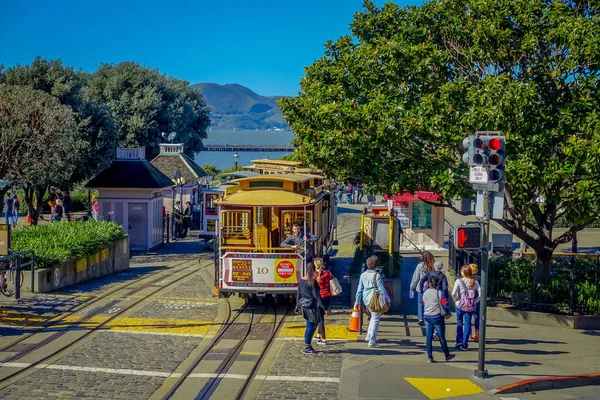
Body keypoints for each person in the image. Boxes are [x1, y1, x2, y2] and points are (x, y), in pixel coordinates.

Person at [355, 255, 390, 348]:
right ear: (375, 265)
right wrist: (388, 300)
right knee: (376, 319)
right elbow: (382, 289)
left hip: (366, 298)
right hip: (374, 299)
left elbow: (359, 289)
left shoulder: (363, 275)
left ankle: (368, 335)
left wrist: (358, 301)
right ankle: (372, 340)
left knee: (372, 316)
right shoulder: (377, 275)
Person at [296, 262, 327, 355]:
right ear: (313, 270)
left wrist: (297, 306)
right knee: (311, 326)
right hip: (312, 306)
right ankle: (307, 346)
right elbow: (317, 296)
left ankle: (307, 344)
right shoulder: (312, 281)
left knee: (310, 325)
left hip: (303, 306)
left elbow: (298, 294)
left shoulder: (302, 281)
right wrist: (324, 308)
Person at [422, 275, 455, 363]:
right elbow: (445, 304)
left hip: (427, 316)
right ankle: (447, 355)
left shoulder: (425, 293)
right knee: (441, 337)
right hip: (437, 317)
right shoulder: (439, 293)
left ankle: (430, 357)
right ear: (437, 284)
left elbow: (423, 302)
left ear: (429, 284)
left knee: (428, 336)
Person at [452, 265, 481, 351]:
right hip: (470, 306)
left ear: (463, 273)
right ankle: (465, 344)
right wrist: (474, 302)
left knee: (459, 322)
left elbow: (453, 293)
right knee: (467, 323)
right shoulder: (474, 282)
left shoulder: (458, 281)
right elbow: (480, 294)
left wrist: (456, 300)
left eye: (461, 271)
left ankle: (459, 341)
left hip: (459, 305)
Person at [410, 251, 435, 326]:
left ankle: (420, 318)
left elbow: (416, 277)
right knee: (428, 303)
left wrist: (412, 286)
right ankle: (427, 317)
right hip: (430, 287)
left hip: (420, 287)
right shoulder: (432, 266)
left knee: (420, 302)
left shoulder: (419, 266)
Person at [313, 257, 333, 345]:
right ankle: (318, 335)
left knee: (320, 319)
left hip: (319, 298)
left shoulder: (314, 275)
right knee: (321, 317)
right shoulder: (328, 273)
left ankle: (323, 339)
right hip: (328, 296)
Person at [469, 263, 481, 342]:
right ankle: (477, 333)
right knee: (476, 317)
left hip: (469, 300)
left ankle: (469, 334)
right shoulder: (479, 278)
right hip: (477, 299)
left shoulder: (468, 278)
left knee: (468, 317)